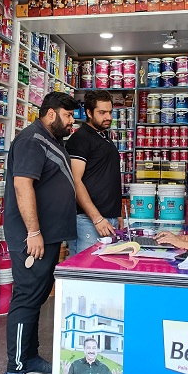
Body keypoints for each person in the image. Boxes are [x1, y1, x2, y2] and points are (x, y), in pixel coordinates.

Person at [0, 91, 78, 374]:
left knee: (37, 297)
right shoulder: (32, 140)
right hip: (32, 237)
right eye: (68, 116)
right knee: (27, 298)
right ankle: (13, 373)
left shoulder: (51, 140)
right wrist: (33, 231)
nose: (71, 122)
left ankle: (30, 357)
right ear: (51, 113)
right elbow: (22, 185)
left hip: (48, 236)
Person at [66, 90, 123, 253]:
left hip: (108, 219)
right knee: (85, 267)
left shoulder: (104, 137)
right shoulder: (80, 139)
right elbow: (75, 181)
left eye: (110, 112)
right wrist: (97, 219)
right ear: (89, 113)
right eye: (102, 112)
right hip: (88, 221)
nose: (108, 117)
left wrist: (116, 213)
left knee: (103, 267)